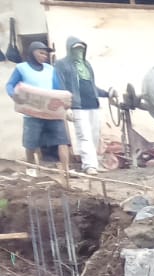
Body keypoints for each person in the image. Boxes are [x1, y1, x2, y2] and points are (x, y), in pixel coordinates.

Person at [6, 42, 70, 167]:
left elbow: (57, 88)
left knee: (62, 141)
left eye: (46, 54)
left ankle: (66, 170)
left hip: (51, 112)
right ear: (32, 53)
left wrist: (64, 102)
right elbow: (10, 84)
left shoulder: (50, 69)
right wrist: (13, 94)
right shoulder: (22, 68)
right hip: (32, 113)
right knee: (31, 144)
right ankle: (32, 170)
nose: (44, 56)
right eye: (41, 53)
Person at [55, 37, 109, 174]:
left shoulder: (86, 65)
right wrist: (65, 106)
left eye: (81, 48)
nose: (79, 51)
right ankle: (89, 165)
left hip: (93, 104)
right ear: (69, 49)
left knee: (95, 135)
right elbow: (61, 86)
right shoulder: (62, 64)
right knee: (84, 136)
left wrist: (107, 93)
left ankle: (95, 162)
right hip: (77, 106)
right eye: (76, 48)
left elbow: (91, 86)